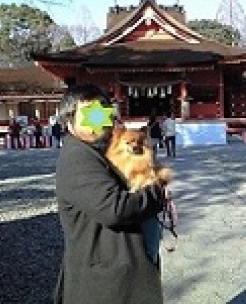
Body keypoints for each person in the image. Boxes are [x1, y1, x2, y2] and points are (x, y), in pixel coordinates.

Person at [54, 84, 165, 304]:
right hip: (106, 278)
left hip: (119, 264)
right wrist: (156, 193)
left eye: (102, 114)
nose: (98, 122)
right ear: (69, 121)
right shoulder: (77, 158)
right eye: (90, 115)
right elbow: (115, 209)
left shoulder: (102, 149)